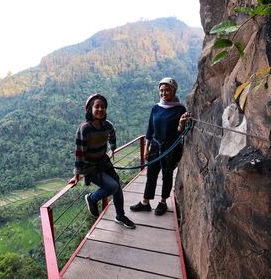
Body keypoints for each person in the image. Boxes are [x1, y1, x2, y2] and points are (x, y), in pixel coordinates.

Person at [69, 93, 136, 229]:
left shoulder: (107, 125)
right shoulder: (85, 128)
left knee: (117, 187)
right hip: (90, 167)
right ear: (90, 109)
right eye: (97, 107)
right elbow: (79, 152)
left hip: (103, 162)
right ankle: (92, 198)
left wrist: (112, 147)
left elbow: (112, 133)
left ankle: (120, 216)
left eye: (103, 107)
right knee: (112, 186)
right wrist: (77, 174)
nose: (100, 109)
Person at [130, 77, 189, 216]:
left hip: (169, 148)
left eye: (167, 90)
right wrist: (146, 148)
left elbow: (179, 133)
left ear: (173, 91)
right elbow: (150, 129)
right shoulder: (156, 108)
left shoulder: (180, 109)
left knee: (167, 175)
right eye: (161, 90)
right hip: (155, 147)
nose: (163, 93)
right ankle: (145, 202)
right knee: (151, 175)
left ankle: (163, 202)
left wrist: (181, 125)